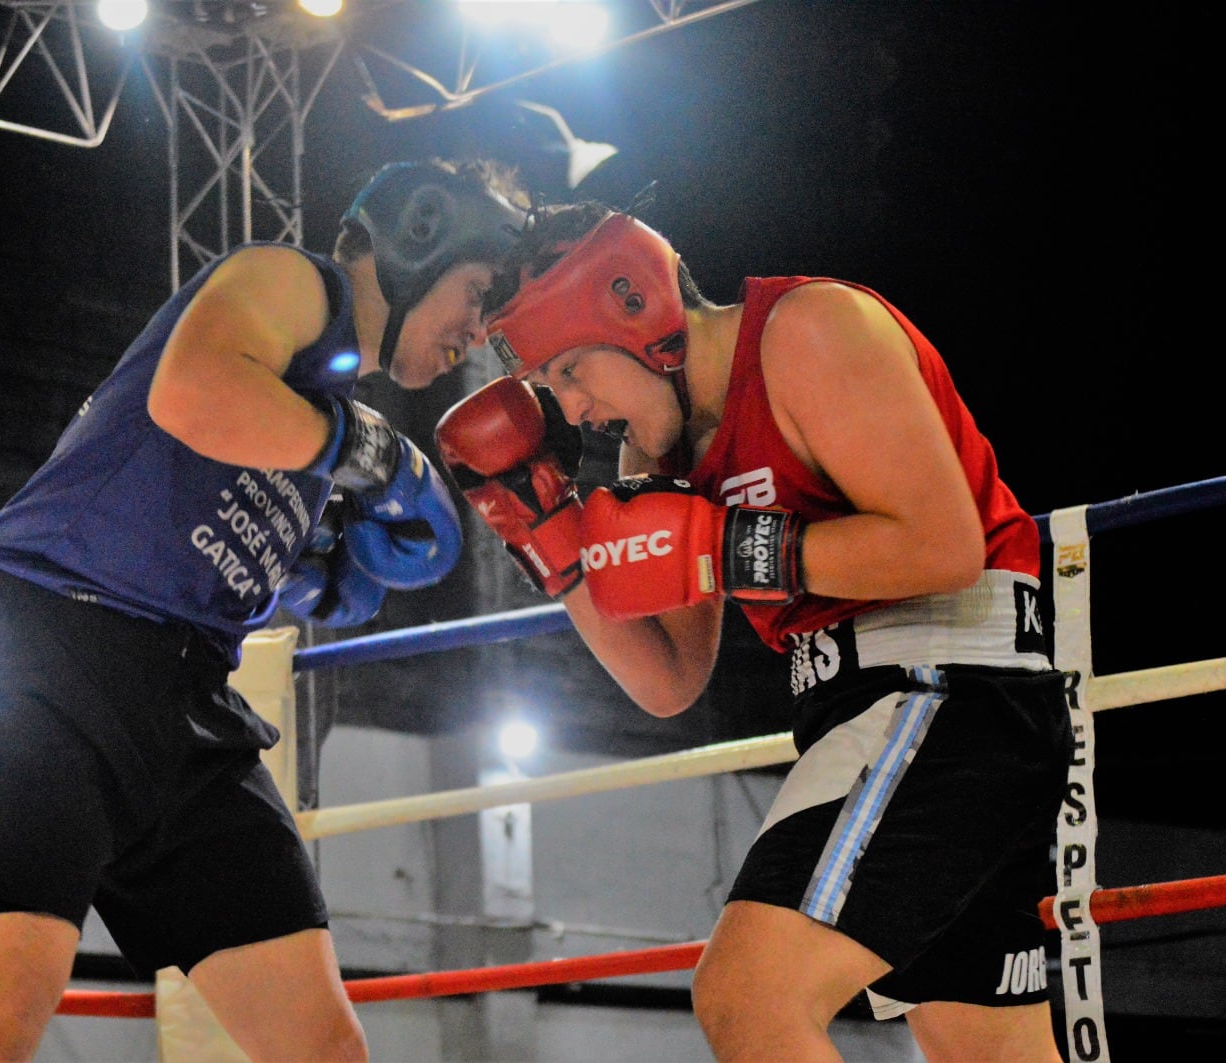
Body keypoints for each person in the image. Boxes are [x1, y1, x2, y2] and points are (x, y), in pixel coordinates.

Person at [0, 159, 527, 1063]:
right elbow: (193, 393)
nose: (475, 330)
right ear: (416, 244)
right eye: (475, 292)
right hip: (44, 657)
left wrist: (308, 579)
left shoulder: (312, 413)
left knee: (321, 1048)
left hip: (185, 701)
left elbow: (197, 536)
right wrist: (373, 453)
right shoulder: (290, 282)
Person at [435, 202, 1072, 1061]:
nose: (576, 411)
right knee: (990, 1053)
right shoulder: (654, 460)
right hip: (885, 712)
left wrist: (727, 549)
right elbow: (668, 681)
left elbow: (944, 546)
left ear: (635, 306)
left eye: (574, 370)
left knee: (748, 996)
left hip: (947, 690)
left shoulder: (808, 329)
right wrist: (551, 541)